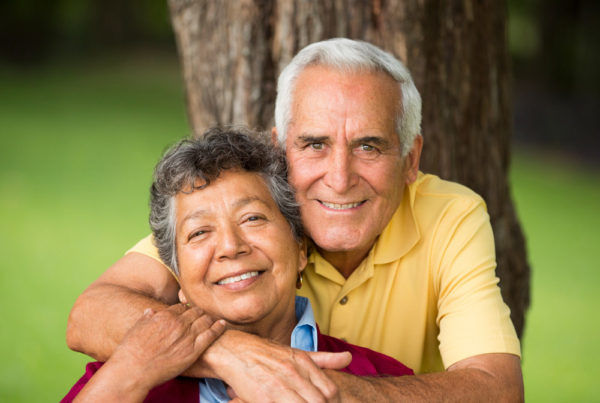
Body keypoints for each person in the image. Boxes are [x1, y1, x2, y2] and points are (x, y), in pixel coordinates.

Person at [67, 38, 524, 401]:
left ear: (410, 159)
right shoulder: (243, 222)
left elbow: (497, 389)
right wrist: (236, 356)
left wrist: (315, 391)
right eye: (314, 145)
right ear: (280, 151)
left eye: (368, 146)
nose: (340, 178)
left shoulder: (450, 216)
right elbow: (90, 313)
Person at [62, 128, 413, 402]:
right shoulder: (126, 378)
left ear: (300, 248)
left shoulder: (383, 381)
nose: (230, 247)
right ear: (177, 277)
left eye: (252, 218)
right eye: (199, 232)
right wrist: (128, 375)